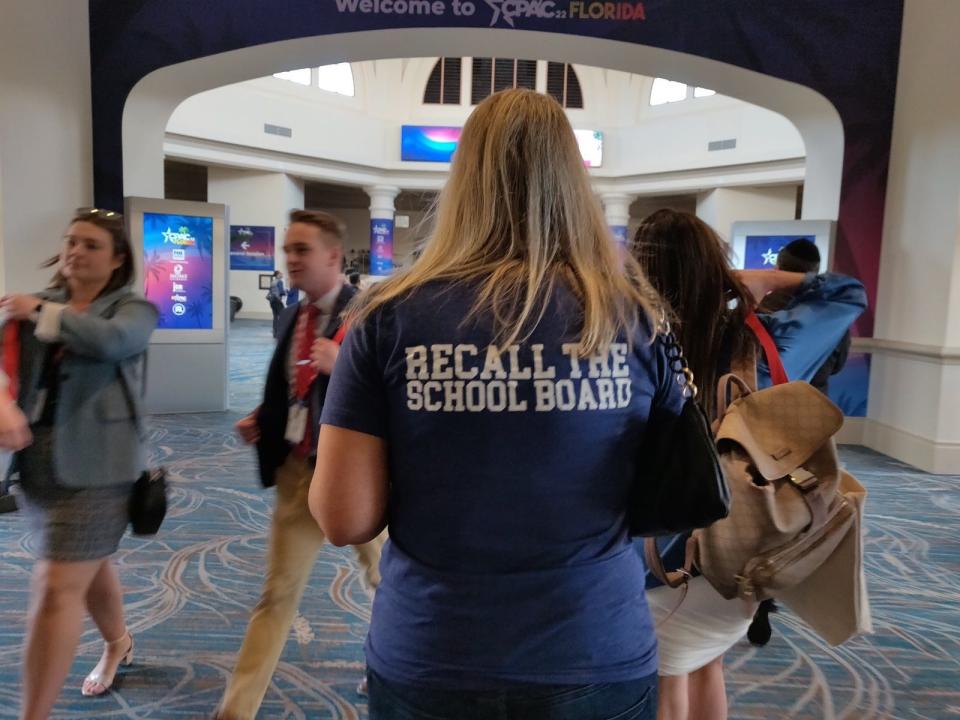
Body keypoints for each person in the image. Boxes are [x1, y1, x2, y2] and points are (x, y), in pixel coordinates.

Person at [309, 88, 682, 720]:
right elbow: (668, 504)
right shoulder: (636, 319)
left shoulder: (388, 317)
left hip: (435, 648)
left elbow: (344, 519)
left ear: (464, 182)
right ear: (572, 182)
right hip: (594, 647)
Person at [630, 209, 867, 720]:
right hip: (741, 543)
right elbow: (846, 292)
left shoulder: (623, 341)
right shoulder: (760, 343)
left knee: (664, 677)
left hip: (650, 551)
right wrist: (753, 279)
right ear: (714, 268)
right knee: (706, 664)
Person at [216, 210, 385, 720]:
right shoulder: (292, 315)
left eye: (301, 250)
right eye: (287, 249)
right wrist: (260, 419)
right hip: (296, 472)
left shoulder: (371, 315)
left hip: (355, 476)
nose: (290, 259)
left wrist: (347, 365)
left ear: (333, 257)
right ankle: (236, 711)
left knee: (385, 581)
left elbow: (395, 395)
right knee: (277, 594)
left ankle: (389, 667)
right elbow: (291, 387)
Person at [0, 208, 158, 719]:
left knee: (55, 588)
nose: (76, 251)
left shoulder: (132, 308)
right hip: (38, 464)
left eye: (90, 244)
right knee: (88, 568)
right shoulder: (34, 304)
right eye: (71, 241)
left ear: (116, 260)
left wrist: (40, 315)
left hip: (101, 469)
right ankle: (118, 642)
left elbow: (113, 342)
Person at [759, 238, 852, 396]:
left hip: (765, 404)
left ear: (778, 269)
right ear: (815, 272)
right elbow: (837, 364)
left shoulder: (758, 310)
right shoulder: (833, 313)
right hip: (814, 407)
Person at [266, 270, 286, 338]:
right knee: (283, 315)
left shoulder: (273, 282)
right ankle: (281, 332)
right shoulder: (279, 281)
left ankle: (275, 332)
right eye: (281, 274)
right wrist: (286, 292)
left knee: (275, 317)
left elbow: (270, 291)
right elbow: (281, 292)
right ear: (277, 275)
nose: (282, 274)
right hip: (277, 300)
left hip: (272, 301)